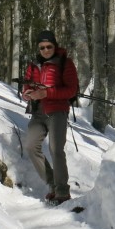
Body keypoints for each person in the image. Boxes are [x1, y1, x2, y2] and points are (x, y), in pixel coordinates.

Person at [21, 29, 79, 205]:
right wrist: (28, 94)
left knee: (56, 149)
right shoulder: (33, 65)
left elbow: (71, 90)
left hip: (58, 111)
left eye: (49, 46)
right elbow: (26, 86)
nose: (46, 50)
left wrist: (46, 93)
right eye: (42, 47)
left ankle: (62, 192)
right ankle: (52, 184)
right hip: (38, 112)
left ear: (55, 45)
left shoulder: (65, 63)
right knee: (31, 146)